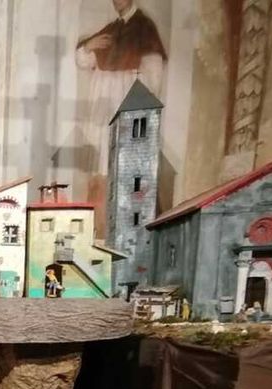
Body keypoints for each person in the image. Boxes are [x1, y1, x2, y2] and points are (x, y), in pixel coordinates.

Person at [75, 0, 167, 228]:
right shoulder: (112, 29)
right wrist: (88, 46)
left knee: (127, 163)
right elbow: (84, 60)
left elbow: (153, 76)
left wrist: (133, 98)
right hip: (104, 107)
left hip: (126, 102)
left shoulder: (144, 27)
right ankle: (100, 225)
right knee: (102, 164)